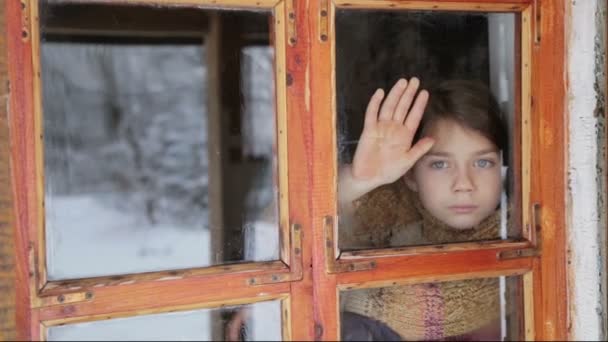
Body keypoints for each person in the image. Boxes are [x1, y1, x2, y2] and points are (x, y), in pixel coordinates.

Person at [339, 77, 508, 341]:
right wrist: (359, 182)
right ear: (410, 176)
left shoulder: (520, 231)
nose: (463, 184)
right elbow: (280, 232)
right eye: (440, 165)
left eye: (484, 163)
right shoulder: (392, 216)